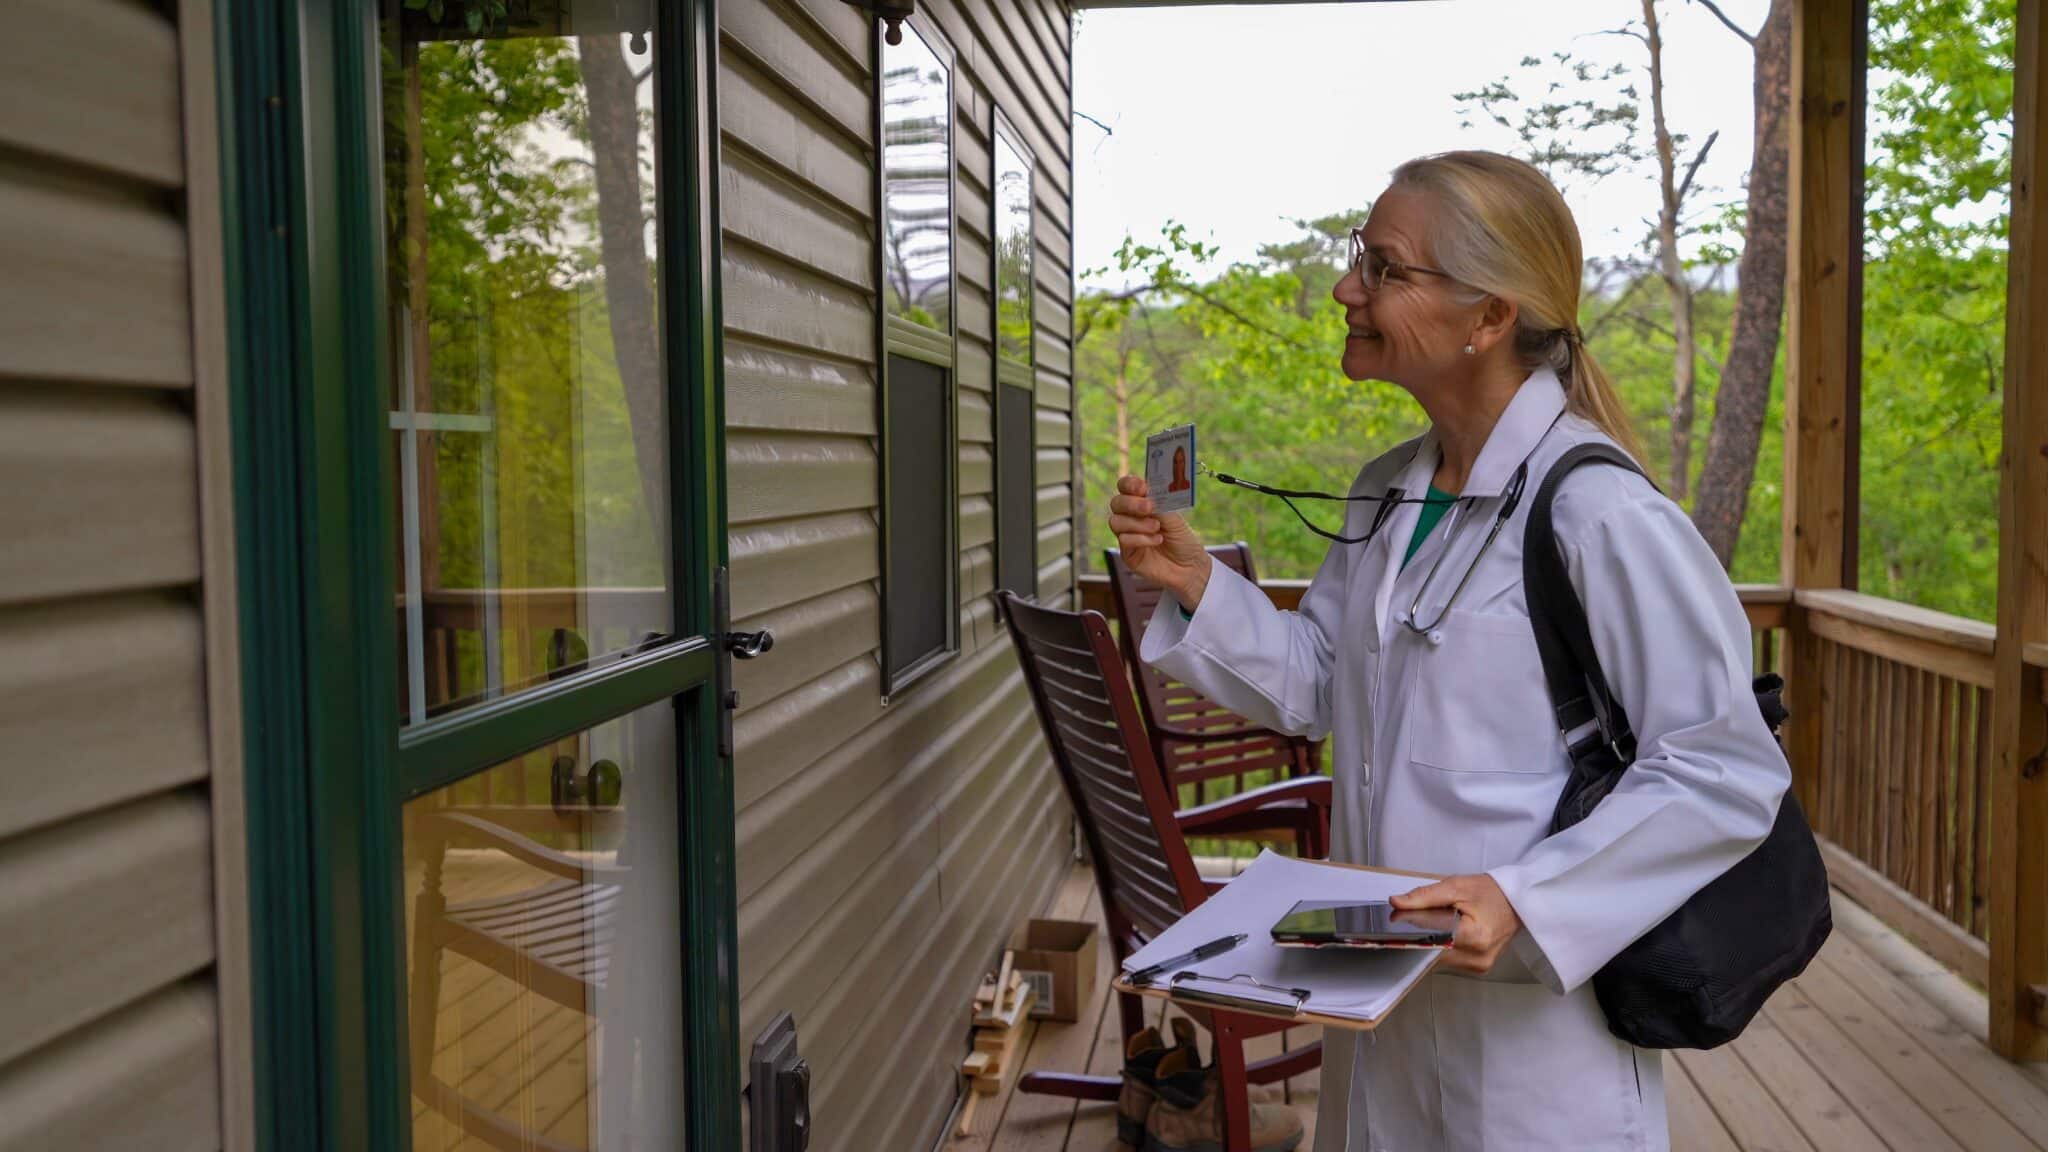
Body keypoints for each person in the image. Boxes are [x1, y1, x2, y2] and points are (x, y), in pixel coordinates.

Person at [1105, 151, 1788, 1152]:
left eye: (1383, 268)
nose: (1346, 288)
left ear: (1486, 318)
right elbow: (1323, 684)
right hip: (1373, 998)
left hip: (1530, 1046)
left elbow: (1722, 769)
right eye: (1357, 260)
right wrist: (1196, 583)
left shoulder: (1597, 516)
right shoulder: (1388, 490)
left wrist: (1523, 899)